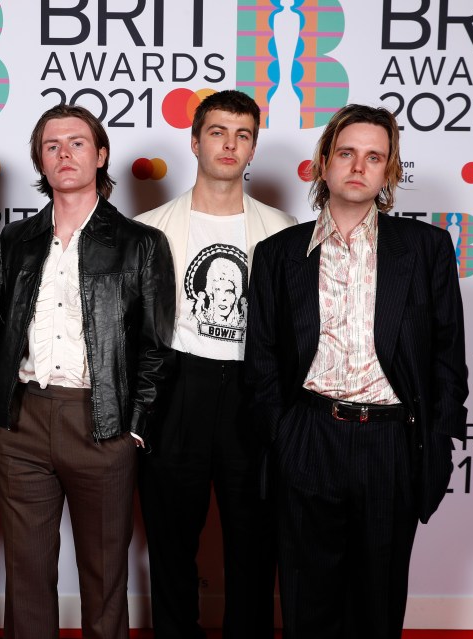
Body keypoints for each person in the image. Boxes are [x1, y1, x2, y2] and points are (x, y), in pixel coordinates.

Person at [245, 104, 468, 638]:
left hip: (390, 442)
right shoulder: (277, 254)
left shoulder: (426, 248)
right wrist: (284, 436)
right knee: (306, 604)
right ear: (324, 163)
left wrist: (435, 447)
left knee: (377, 605)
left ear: (389, 171)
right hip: (308, 436)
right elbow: (264, 361)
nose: (358, 166)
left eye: (374, 157)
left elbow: (447, 358)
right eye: (346, 153)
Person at [0, 104, 175, 639]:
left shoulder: (142, 243)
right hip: (21, 420)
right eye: (52, 146)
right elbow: (1, 325)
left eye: (76, 143)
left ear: (101, 155)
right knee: (25, 575)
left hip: (102, 423)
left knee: (104, 578)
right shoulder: (17, 240)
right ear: (41, 163)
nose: (64, 153)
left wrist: (133, 424)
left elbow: (157, 344)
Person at [135, 89, 295, 638]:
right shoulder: (150, 226)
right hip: (178, 385)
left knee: (254, 539)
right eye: (218, 132)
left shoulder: (284, 229)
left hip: (253, 390)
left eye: (243, 134)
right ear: (196, 141)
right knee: (171, 537)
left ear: (253, 149)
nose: (229, 144)